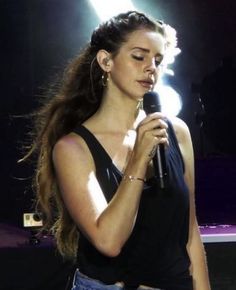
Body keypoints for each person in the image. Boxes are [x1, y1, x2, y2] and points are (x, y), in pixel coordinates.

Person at [22, 11, 211, 290]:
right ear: (106, 61)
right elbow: (109, 241)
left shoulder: (176, 132)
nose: (151, 68)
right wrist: (137, 160)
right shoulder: (73, 148)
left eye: (158, 60)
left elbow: (189, 231)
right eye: (139, 56)